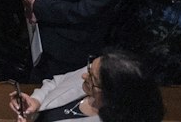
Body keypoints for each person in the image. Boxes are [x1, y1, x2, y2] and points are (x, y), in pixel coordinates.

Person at [11, 51, 165, 122]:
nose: (84, 75)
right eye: (89, 67)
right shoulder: (95, 71)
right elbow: (56, 82)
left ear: (113, 95)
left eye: (92, 78)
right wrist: (36, 101)